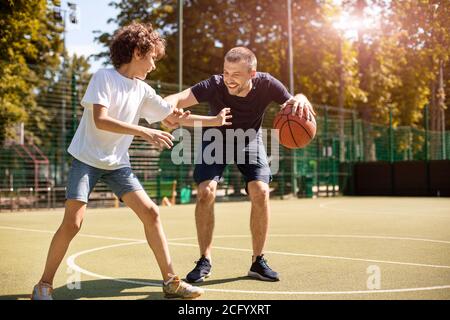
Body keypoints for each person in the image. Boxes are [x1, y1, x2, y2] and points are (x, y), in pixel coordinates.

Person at [31, 22, 231, 300]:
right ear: (138, 52)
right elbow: (100, 120)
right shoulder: (103, 77)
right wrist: (143, 130)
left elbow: (173, 117)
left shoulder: (143, 91)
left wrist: (214, 121)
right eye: (152, 58)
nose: (154, 65)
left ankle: (171, 282)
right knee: (73, 222)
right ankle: (44, 284)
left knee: (151, 213)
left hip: (117, 165)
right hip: (86, 160)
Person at [163, 47, 315, 283]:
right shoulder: (214, 85)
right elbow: (177, 98)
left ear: (252, 74)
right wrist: (168, 108)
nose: (229, 79)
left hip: (249, 141)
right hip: (216, 139)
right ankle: (204, 259)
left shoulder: (267, 84)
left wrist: (302, 97)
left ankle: (258, 261)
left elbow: (293, 99)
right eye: (226, 72)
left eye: (236, 74)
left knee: (261, 191)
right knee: (205, 192)